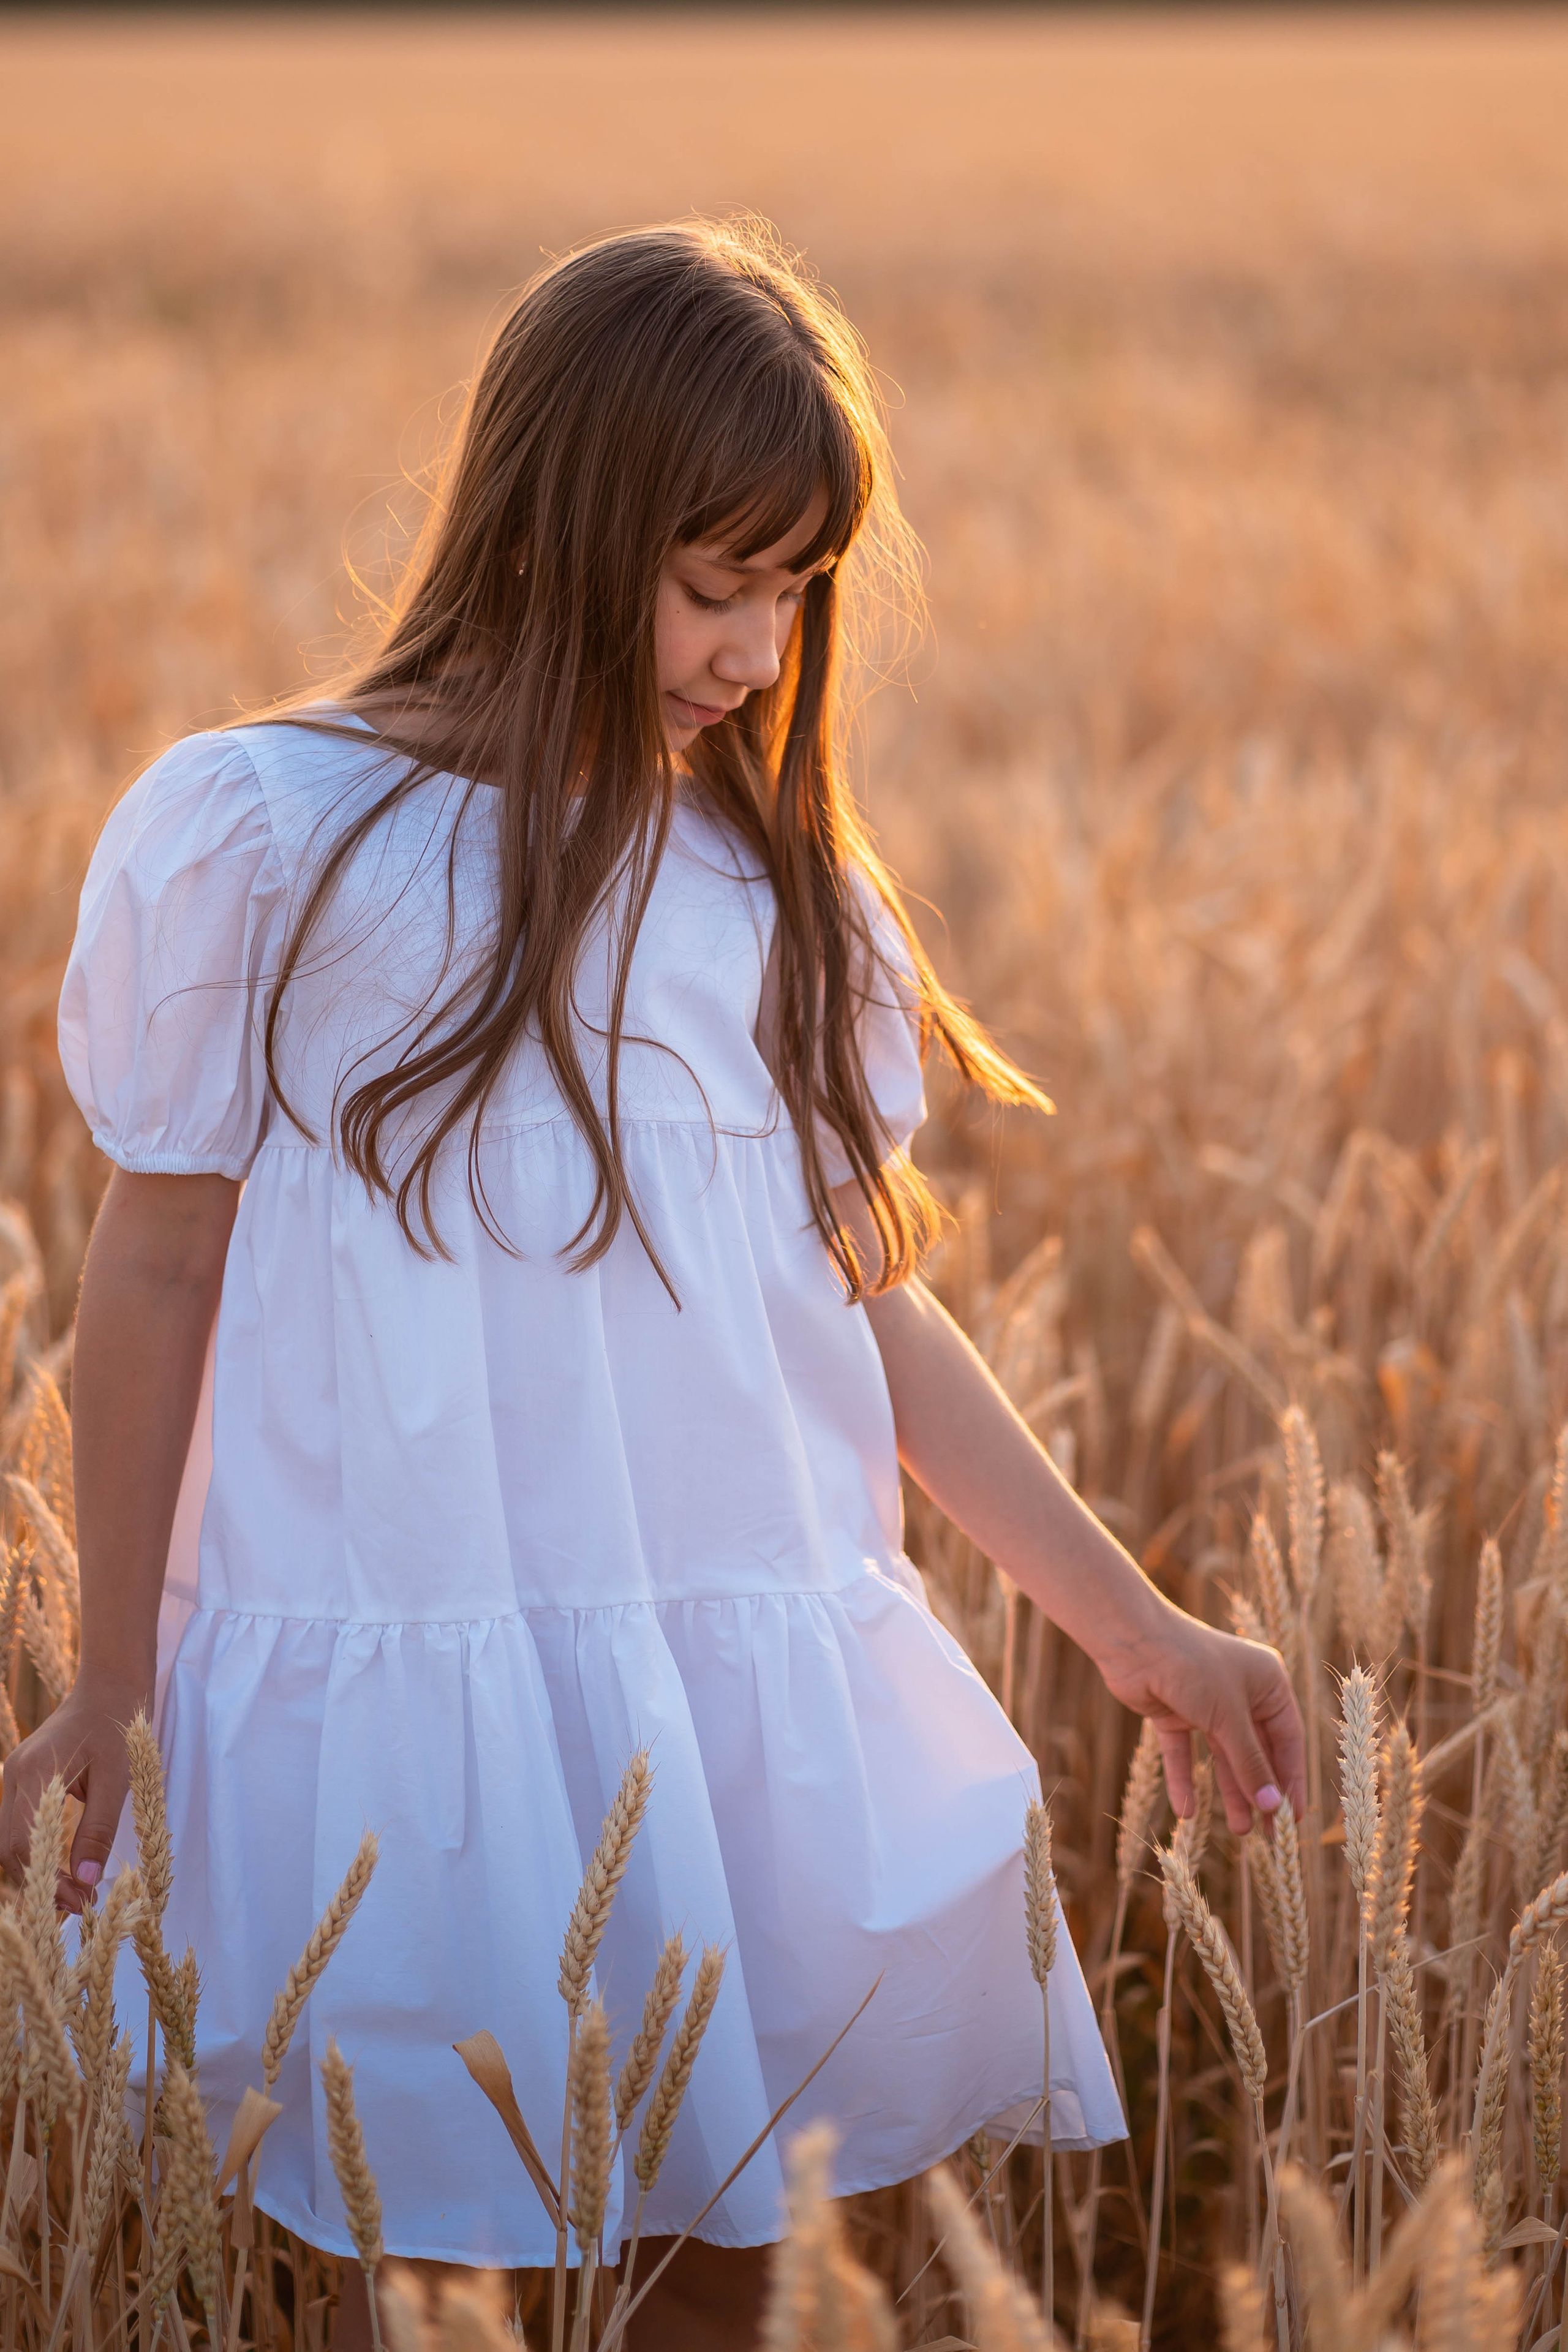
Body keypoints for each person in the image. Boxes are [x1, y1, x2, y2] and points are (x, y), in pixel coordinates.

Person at [0, 218, 1303, 2350]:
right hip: (411, 1712)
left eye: (798, 591)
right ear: (562, 521)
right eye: (720, 583)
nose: (764, 649)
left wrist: (1135, 1627)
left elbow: (858, 1307)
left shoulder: (768, 891)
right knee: (434, 2297)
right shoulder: (262, 832)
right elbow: (153, 1267)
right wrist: (114, 1681)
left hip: (728, 1718)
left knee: (748, 2282)